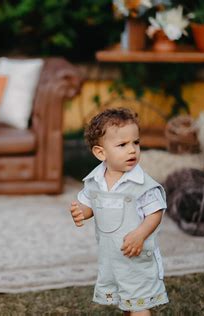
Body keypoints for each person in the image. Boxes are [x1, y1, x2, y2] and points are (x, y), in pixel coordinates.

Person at [69, 108, 169, 315]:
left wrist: (140, 234)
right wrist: (81, 212)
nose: (132, 150)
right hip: (113, 257)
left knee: (139, 304)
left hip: (137, 255)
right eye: (122, 145)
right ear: (100, 153)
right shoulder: (95, 181)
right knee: (127, 300)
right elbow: (91, 205)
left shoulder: (142, 184)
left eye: (136, 142)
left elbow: (155, 212)